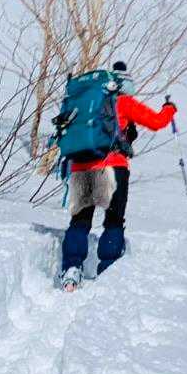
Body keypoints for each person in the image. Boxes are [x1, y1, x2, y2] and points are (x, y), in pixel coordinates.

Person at [59, 61, 176, 287]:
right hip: (112, 167)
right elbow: (157, 122)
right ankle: (108, 271)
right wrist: (169, 108)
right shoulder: (123, 102)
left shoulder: (85, 103)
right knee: (113, 221)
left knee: (80, 221)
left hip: (81, 167)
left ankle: (72, 270)